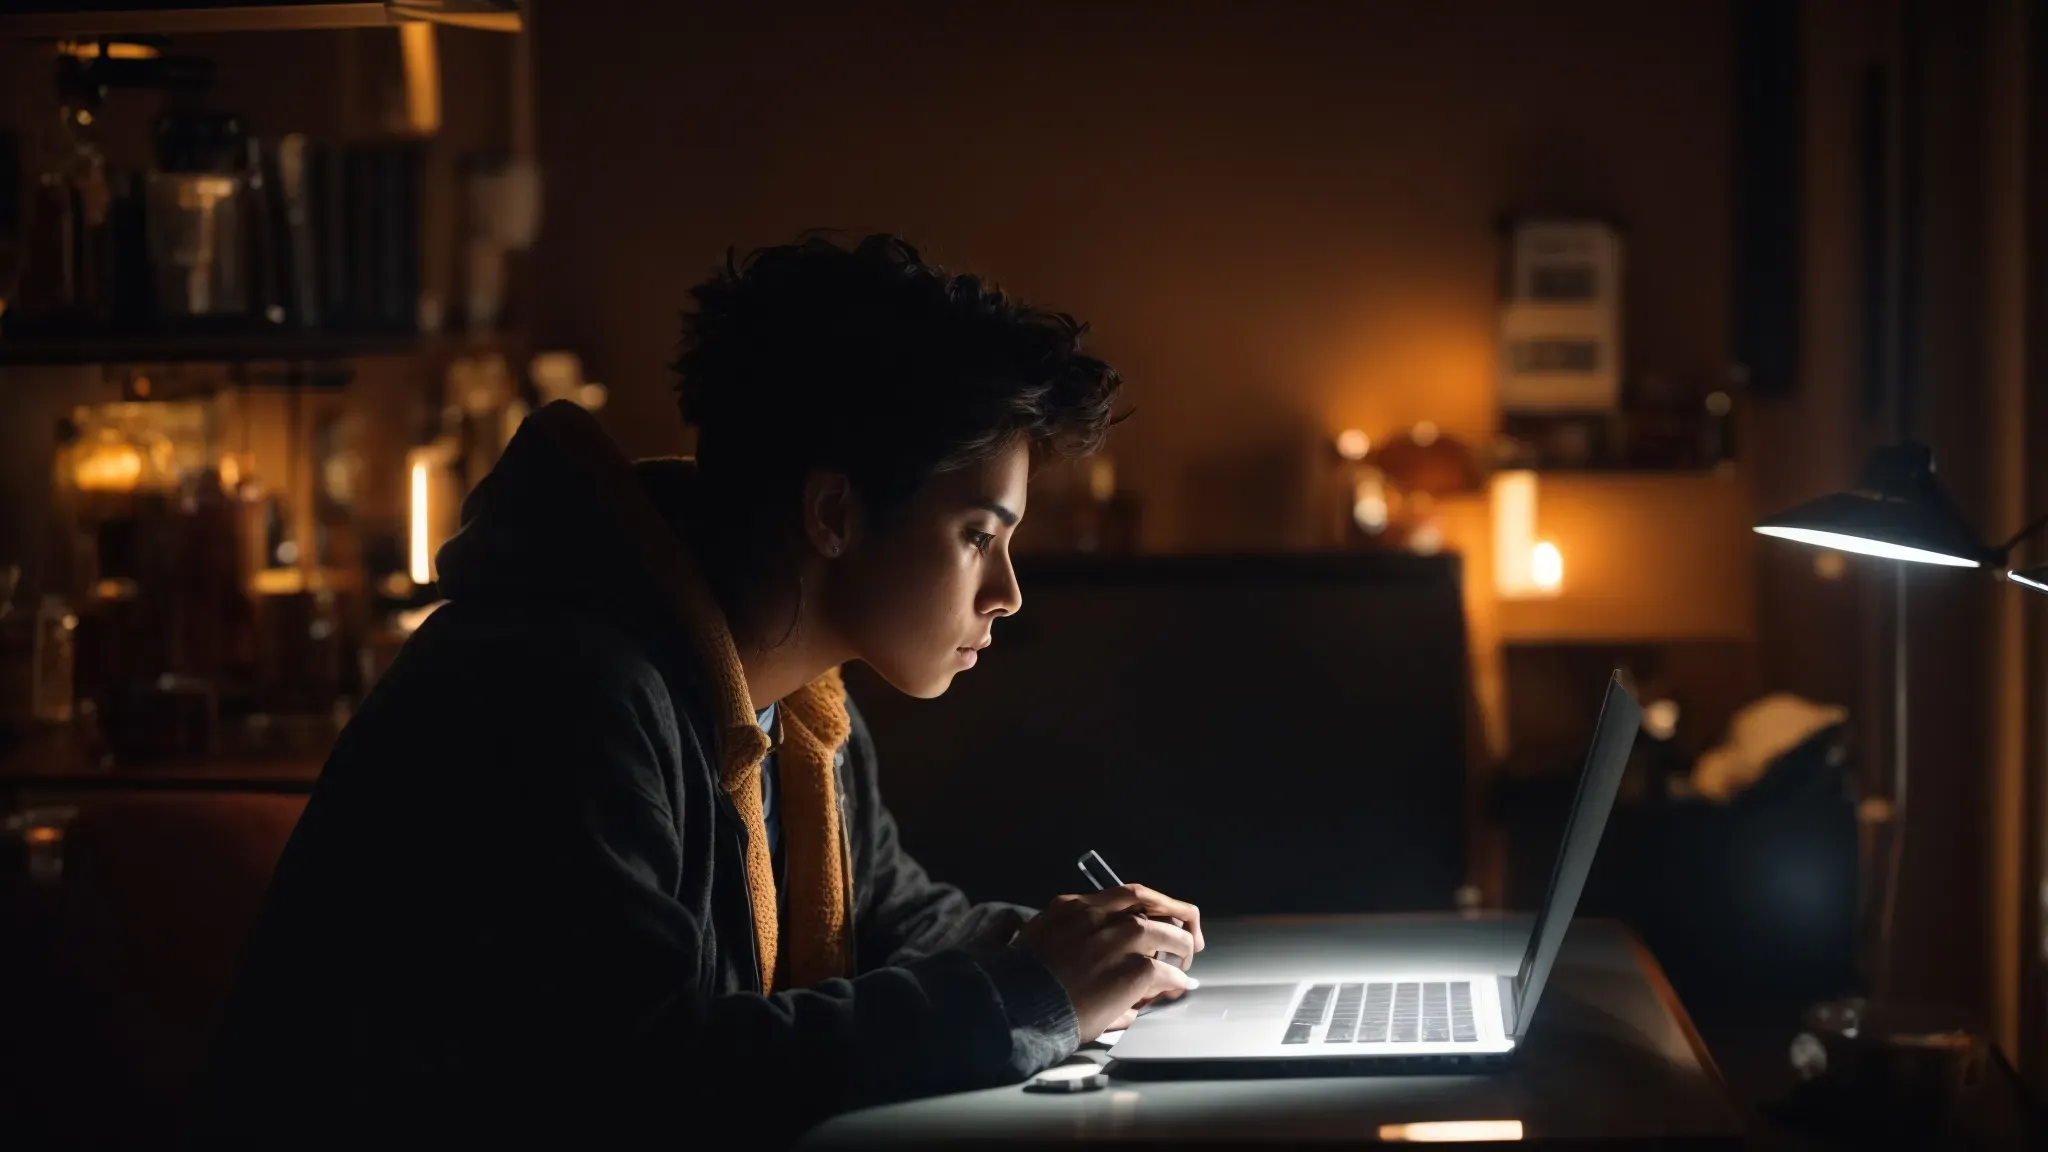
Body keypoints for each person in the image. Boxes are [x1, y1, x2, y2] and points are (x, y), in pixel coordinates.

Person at [191, 234, 1203, 1148]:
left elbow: (889, 925)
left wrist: (1084, 953)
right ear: (833, 513)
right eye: (978, 535)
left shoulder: (803, 717)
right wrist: (1028, 996)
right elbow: (649, 1078)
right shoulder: (556, 693)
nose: (1007, 593)